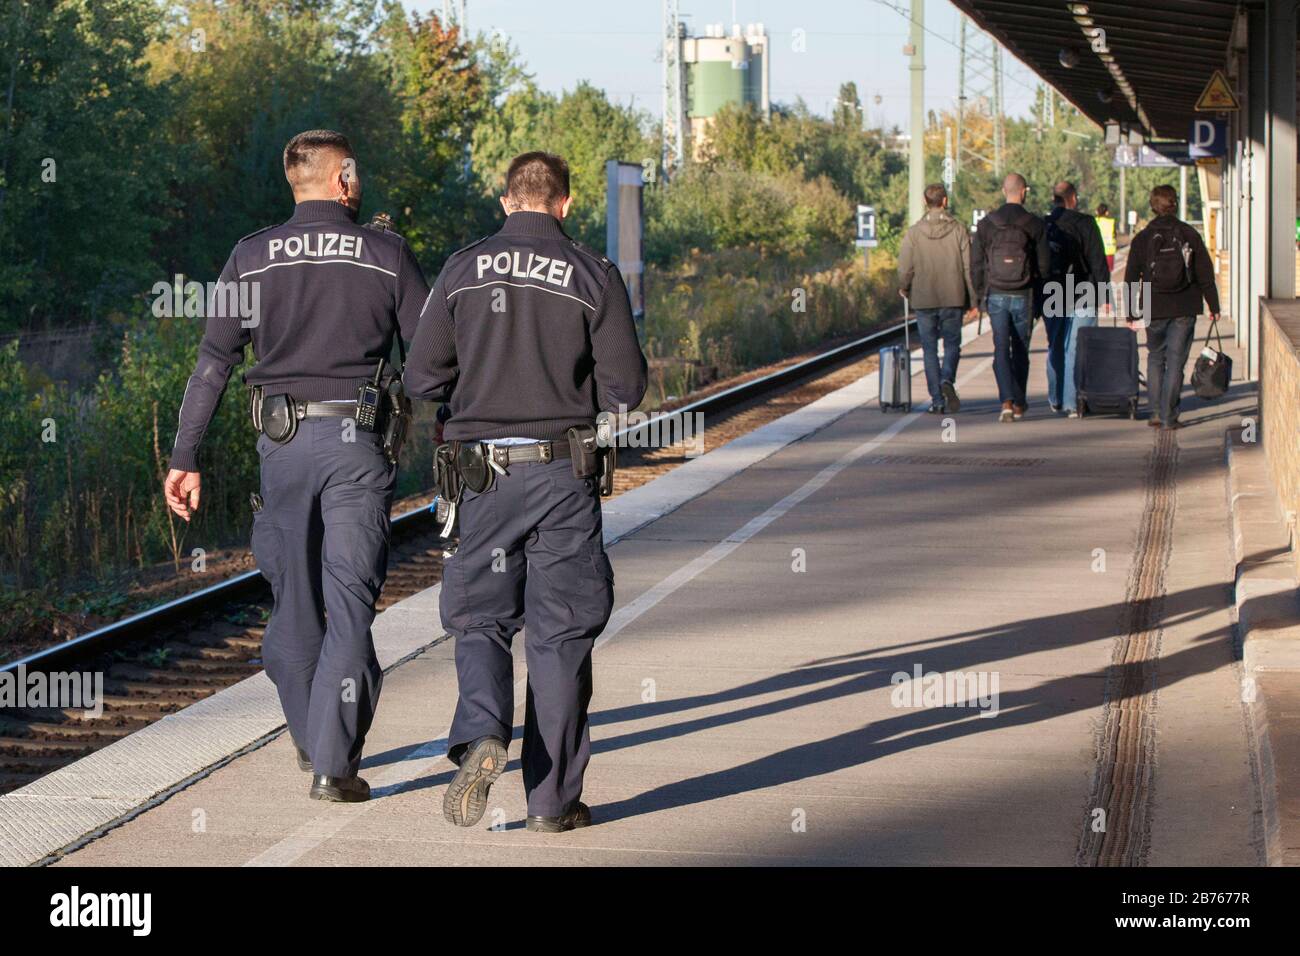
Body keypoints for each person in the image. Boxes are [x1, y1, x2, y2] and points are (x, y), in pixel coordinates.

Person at [162, 130, 430, 803]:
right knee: (348, 605)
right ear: (345, 179)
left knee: (294, 608)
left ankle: (316, 741)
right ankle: (332, 764)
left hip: (280, 451)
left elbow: (214, 362)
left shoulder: (251, 256)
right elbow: (431, 360)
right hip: (357, 449)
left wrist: (184, 456)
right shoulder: (385, 252)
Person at [405, 152, 647, 833]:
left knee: (480, 617)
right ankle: (551, 802)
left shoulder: (461, 269)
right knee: (562, 631)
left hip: (480, 477)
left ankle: (483, 730)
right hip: (562, 475)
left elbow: (422, 380)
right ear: (564, 205)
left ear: (506, 201)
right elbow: (627, 389)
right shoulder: (593, 275)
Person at [1123, 184, 1220, 430]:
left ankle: (1155, 412)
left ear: (1153, 206)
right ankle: (1168, 417)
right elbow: (1205, 274)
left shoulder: (1143, 238)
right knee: (1176, 362)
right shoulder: (1188, 234)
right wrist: (1213, 305)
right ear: (1174, 204)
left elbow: (1131, 277)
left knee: (1156, 358)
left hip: (1153, 307)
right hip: (1184, 306)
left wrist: (1131, 312)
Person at [971, 172, 1051, 422]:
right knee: (1020, 349)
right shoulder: (1035, 224)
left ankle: (1005, 400)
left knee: (1000, 348)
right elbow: (1045, 267)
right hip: (1023, 294)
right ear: (1024, 191)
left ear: (1004, 191)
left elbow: (975, 264)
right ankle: (1019, 402)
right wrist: (1039, 296)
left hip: (995, 293)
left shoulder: (986, 224)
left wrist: (979, 295)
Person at [897, 183, 979, 414]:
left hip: (924, 300)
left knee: (929, 349)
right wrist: (973, 300)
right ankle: (947, 380)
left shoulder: (913, 233)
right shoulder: (959, 230)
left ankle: (937, 401)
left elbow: (905, 268)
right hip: (953, 297)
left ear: (926, 202)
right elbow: (968, 267)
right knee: (953, 345)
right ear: (944, 201)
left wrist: (904, 287)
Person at [1042, 181, 1111, 418]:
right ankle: (1073, 403)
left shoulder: (1045, 224)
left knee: (1056, 346)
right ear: (1072, 198)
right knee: (1078, 349)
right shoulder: (1086, 223)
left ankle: (1056, 399)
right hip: (1084, 293)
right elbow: (1097, 261)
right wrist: (1105, 295)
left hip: (1052, 292)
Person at [1096, 203, 1117, 273]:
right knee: (1108, 272)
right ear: (1107, 212)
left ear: (1097, 211)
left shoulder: (1093, 221)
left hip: (1096, 251)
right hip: (1109, 251)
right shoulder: (1111, 222)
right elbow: (1114, 235)